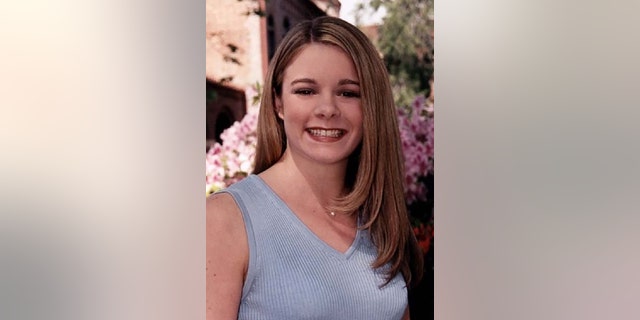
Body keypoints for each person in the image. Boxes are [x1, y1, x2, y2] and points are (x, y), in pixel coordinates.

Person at [207, 16, 424, 320]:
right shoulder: (223, 221)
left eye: (348, 93)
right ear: (278, 103)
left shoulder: (379, 217)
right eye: (306, 91)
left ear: (371, 106)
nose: (327, 109)